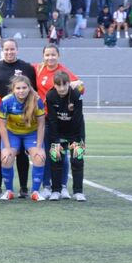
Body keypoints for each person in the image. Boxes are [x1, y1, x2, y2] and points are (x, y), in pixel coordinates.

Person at [0, 39, 37, 198]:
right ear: (2, 51)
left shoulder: (27, 68)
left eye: (12, 49)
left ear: (17, 49)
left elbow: (34, 92)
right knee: (2, 152)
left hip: (21, 118)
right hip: (1, 118)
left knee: (22, 153)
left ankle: (23, 187)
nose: (9, 52)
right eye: (6, 49)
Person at [34, 43, 84, 199]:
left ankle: (62, 186)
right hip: (46, 119)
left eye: (53, 55)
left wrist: (79, 85)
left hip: (64, 121)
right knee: (48, 154)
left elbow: (80, 88)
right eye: (47, 55)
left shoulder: (64, 72)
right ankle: (48, 187)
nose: (50, 58)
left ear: (58, 56)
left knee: (64, 154)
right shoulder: (38, 69)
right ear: (43, 56)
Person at [0, 75, 46, 201]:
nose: (21, 91)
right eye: (18, 88)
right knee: (6, 158)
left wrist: (39, 147)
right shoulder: (6, 101)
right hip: (12, 133)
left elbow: (41, 125)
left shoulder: (37, 100)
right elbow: (2, 126)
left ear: (29, 88)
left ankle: (35, 191)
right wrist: (7, 148)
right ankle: (9, 191)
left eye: (24, 87)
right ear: (13, 89)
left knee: (40, 157)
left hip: (31, 133)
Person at [45, 71, 86, 201]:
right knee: (56, 159)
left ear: (69, 83)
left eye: (65, 85)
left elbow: (77, 117)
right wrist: (56, 139)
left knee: (77, 160)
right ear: (54, 85)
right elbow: (52, 119)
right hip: (58, 131)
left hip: (76, 131)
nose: (62, 88)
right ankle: (56, 190)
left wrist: (75, 140)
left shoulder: (76, 95)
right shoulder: (50, 95)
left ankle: (78, 191)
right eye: (59, 85)